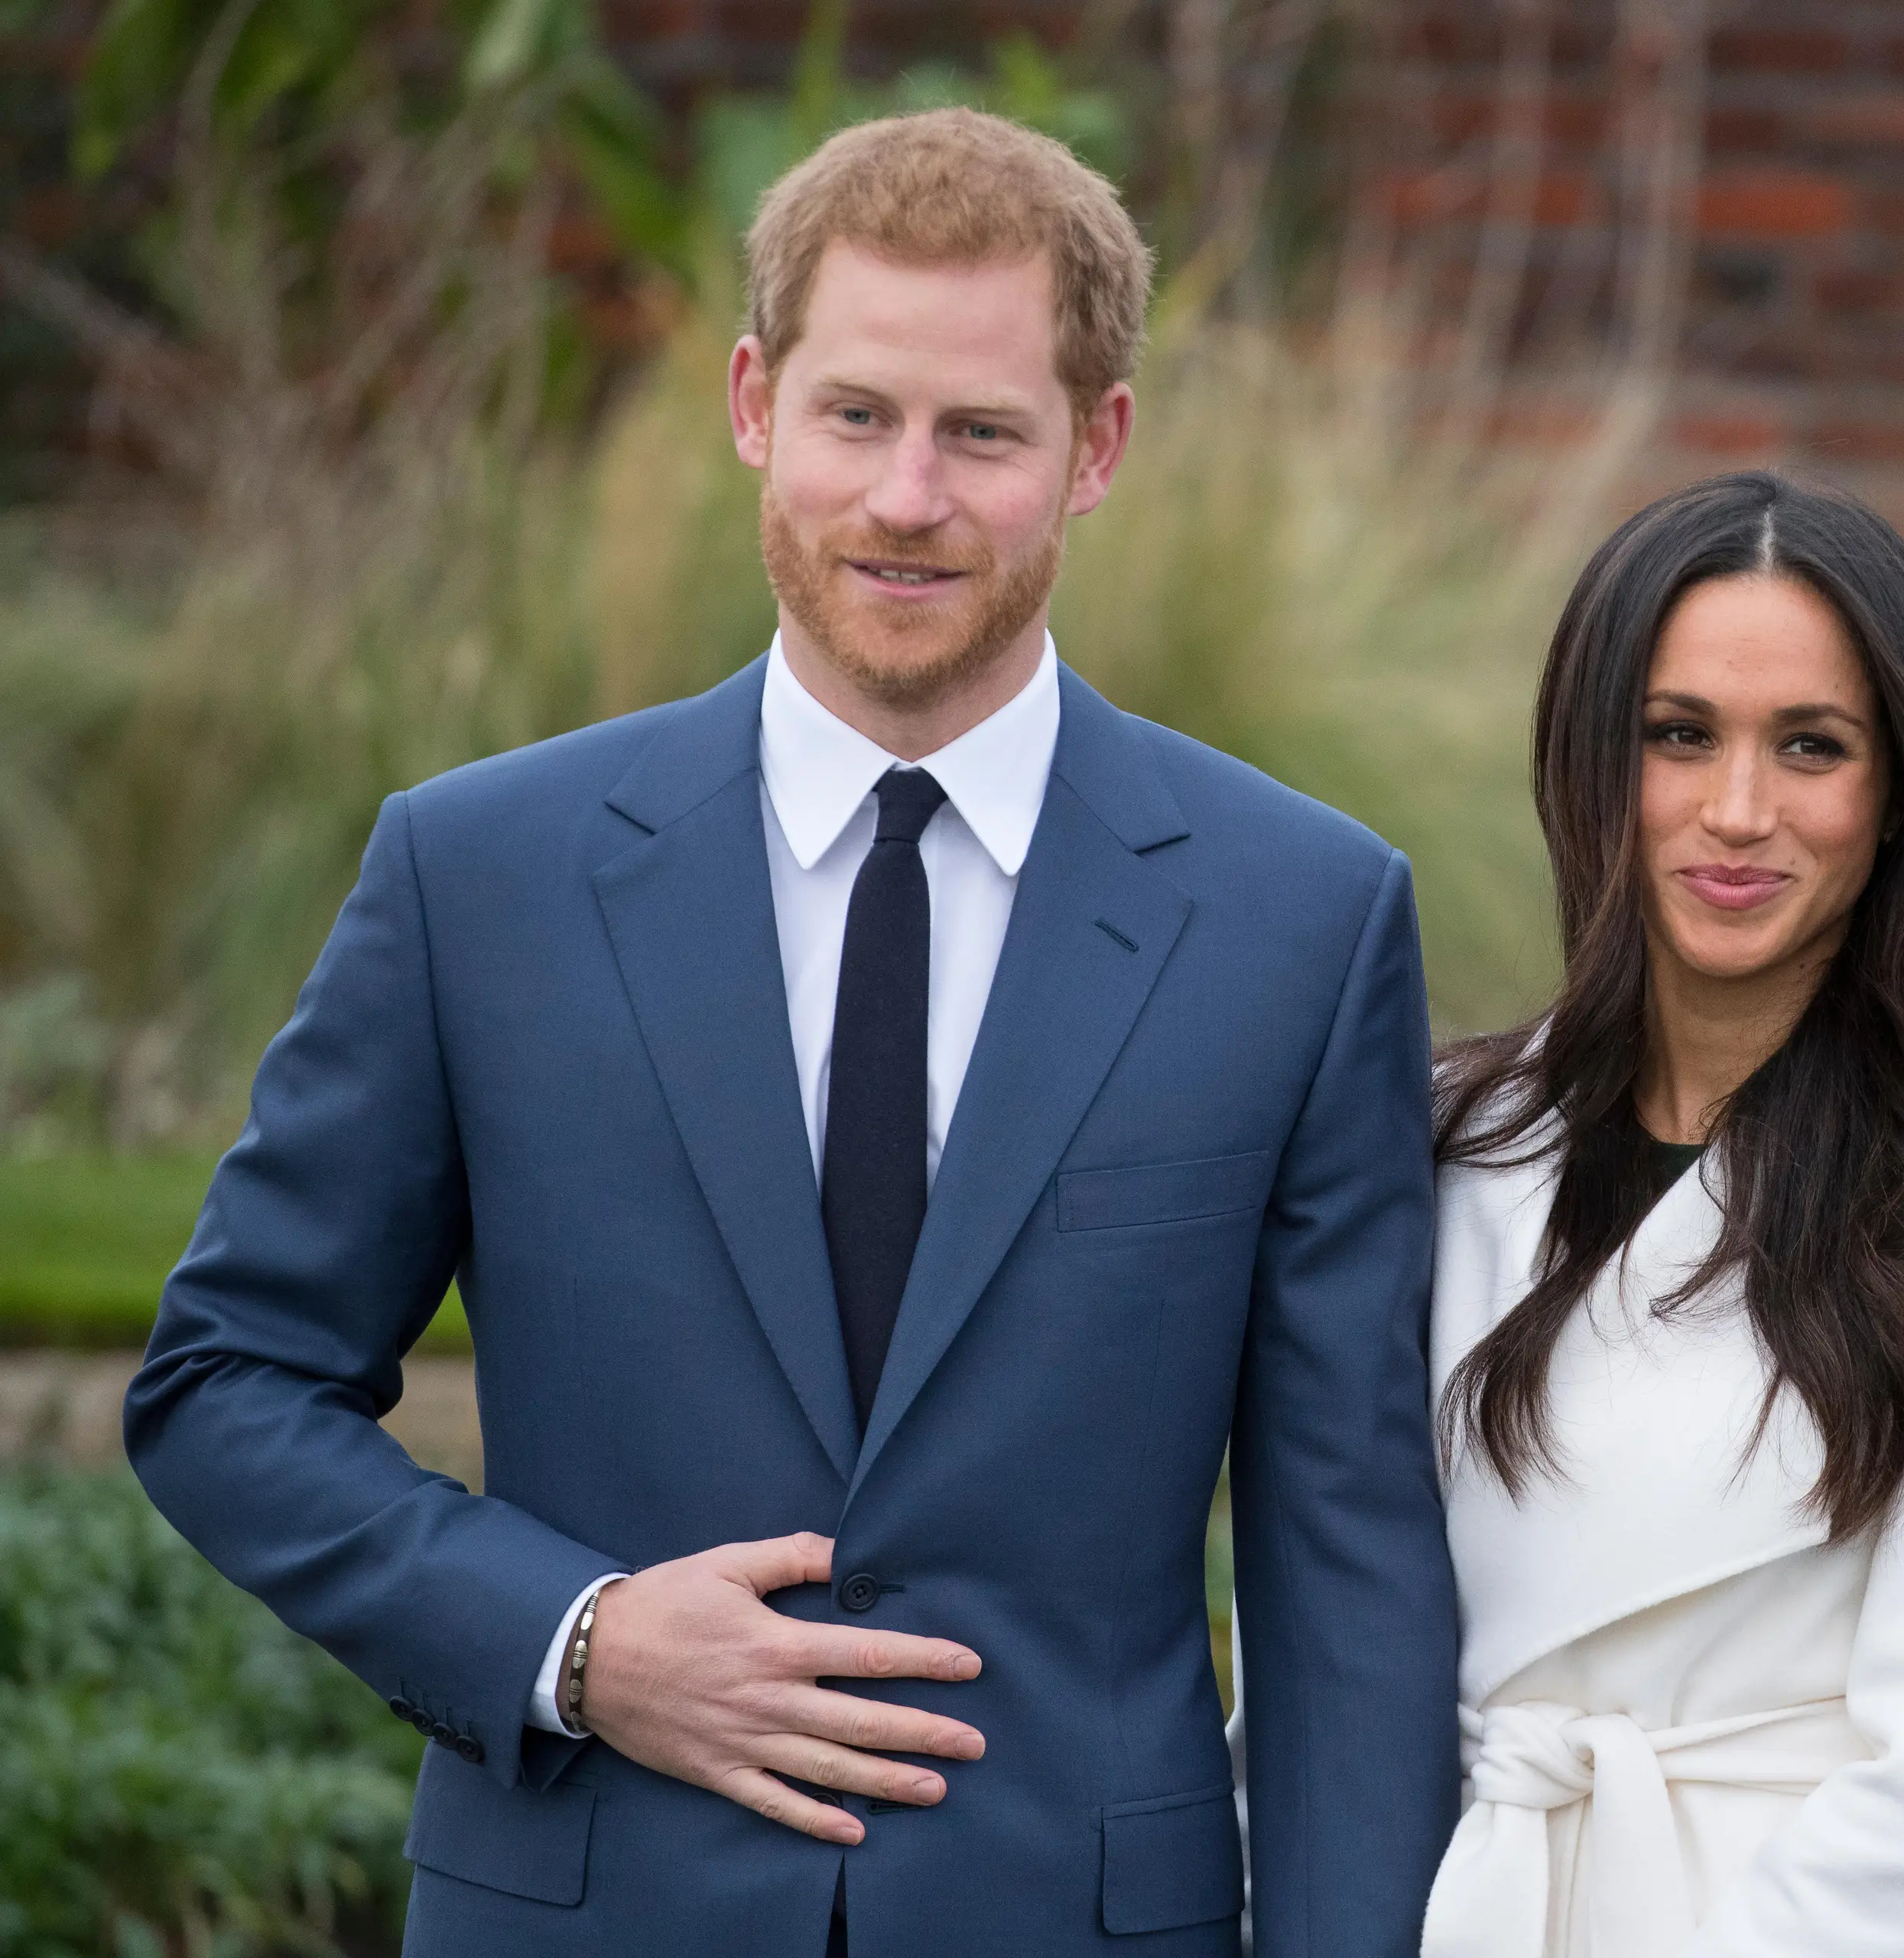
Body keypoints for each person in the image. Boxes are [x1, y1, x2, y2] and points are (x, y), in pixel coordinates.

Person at [125, 108, 1458, 1958]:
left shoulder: (1298, 918)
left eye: (982, 431)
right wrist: (578, 1643)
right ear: (756, 402)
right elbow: (226, 1384)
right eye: (857, 415)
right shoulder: (479, 873)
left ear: (1099, 448)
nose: (907, 497)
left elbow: (1350, 1570)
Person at [1419, 471, 1904, 1957]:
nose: (1739, 811)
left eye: (1810, 746)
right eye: (1679, 734)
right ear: (1589, 757)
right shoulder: (1458, 1139)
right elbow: (1339, 1626)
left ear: (1898, 793)